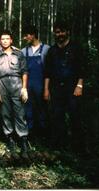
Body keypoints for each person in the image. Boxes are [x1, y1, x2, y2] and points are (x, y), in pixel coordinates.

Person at [43, 21, 86, 152]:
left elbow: (82, 69)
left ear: (67, 32)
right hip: (56, 89)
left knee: (75, 117)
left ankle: (79, 148)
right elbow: (47, 72)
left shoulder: (76, 48)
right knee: (57, 117)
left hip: (72, 88)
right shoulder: (52, 50)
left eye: (62, 31)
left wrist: (79, 86)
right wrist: (46, 89)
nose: (60, 34)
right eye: (57, 32)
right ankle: (58, 146)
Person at [0, 30, 29, 158]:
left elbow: (24, 72)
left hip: (16, 84)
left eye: (7, 38)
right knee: (5, 113)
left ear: (11, 40)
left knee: (20, 113)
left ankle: (23, 141)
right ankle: (10, 140)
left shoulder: (18, 54)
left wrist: (24, 88)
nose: (5, 41)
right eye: (2, 39)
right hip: (2, 85)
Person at [21, 25, 50, 140]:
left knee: (42, 111)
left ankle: (43, 137)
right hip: (28, 86)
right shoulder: (24, 51)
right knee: (28, 111)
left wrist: (47, 89)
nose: (25, 38)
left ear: (33, 35)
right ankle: (30, 136)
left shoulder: (47, 49)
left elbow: (49, 71)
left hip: (42, 85)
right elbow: (22, 71)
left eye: (26, 35)